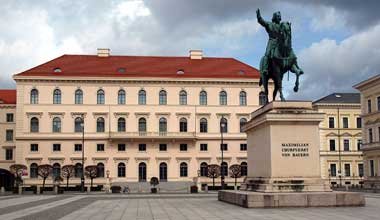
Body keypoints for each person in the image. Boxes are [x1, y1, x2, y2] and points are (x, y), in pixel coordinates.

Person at [256, 9, 282, 85]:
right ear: (275, 18)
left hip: (280, 43)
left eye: (279, 16)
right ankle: (264, 70)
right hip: (272, 42)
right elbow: (262, 22)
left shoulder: (281, 26)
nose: (279, 18)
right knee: (266, 56)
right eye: (278, 16)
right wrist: (259, 16)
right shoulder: (270, 24)